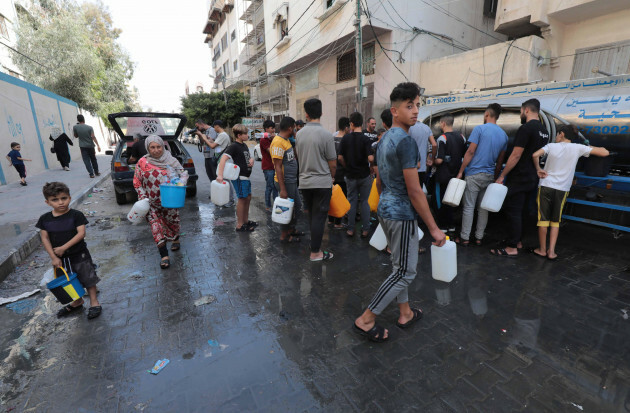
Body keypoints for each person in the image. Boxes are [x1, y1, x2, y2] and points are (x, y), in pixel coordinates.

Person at [353, 82, 445, 342]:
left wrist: (386, 206)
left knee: (399, 266)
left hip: (386, 209)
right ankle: (367, 318)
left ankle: (405, 312)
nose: (415, 111)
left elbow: (380, 181)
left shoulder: (383, 141)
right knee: (405, 272)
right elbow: (415, 191)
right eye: (409, 106)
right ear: (394, 110)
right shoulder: (405, 143)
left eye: (417, 105)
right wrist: (434, 229)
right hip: (401, 213)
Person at [532, 125, 609, 259]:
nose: (556, 137)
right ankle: (551, 252)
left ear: (561, 134)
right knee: (555, 221)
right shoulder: (578, 148)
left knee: (543, 220)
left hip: (546, 185)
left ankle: (542, 250)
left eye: (557, 134)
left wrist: (538, 168)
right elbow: (605, 153)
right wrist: (592, 146)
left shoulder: (551, 146)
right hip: (562, 189)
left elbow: (535, 154)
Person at [492, 99, 549, 257]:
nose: (520, 114)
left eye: (520, 111)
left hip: (520, 176)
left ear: (526, 110)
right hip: (533, 176)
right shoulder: (544, 131)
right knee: (523, 211)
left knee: (513, 211)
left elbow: (516, 155)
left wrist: (502, 175)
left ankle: (512, 247)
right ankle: (517, 241)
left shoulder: (526, 128)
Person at [36, 182, 102, 319]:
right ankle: (77, 301)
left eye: (64, 198)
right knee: (66, 280)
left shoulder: (76, 215)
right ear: (47, 202)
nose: (60, 202)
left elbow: (81, 233)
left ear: (69, 198)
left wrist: (63, 248)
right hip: (59, 258)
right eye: (55, 200)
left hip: (79, 254)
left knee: (88, 278)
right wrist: (54, 257)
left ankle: (94, 302)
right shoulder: (44, 219)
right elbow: (45, 239)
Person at [455, 103, 508, 246]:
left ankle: (465, 237)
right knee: (483, 208)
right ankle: (479, 237)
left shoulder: (479, 129)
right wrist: (496, 176)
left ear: (486, 114)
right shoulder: (504, 135)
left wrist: (461, 171)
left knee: (469, 207)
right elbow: (500, 161)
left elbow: (470, 151)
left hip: (473, 174)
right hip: (490, 175)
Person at [133, 135, 184, 269]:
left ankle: (176, 238)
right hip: (151, 203)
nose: (156, 150)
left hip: (170, 200)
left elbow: (183, 173)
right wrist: (143, 197)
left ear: (163, 146)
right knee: (156, 227)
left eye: (158, 147)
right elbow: (137, 182)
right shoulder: (142, 162)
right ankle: (164, 256)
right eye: (152, 147)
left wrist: (181, 183)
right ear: (148, 148)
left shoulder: (171, 160)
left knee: (173, 222)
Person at [296, 98, 337, 261]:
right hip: (322, 182)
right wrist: (332, 177)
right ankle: (315, 253)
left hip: (305, 182)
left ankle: (314, 246)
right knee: (320, 218)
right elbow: (332, 163)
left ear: (306, 114)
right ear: (321, 113)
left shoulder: (299, 134)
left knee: (312, 216)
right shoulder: (326, 135)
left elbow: (299, 157)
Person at [339, 112, 373, 238]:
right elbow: (370, 158)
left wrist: (346, 166)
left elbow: (340, 157)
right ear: (362, 123)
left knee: (351, 201)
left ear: (351, 124)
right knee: (364, 202)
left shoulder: (346, 138)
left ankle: (350, 229)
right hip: (364, 175)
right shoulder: (366, 139)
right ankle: (365, 230)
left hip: (350, 175)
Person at [217, 124, 255, 232]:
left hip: (246, 177)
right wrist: (220, 175)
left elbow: (247, 157)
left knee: (247, 198)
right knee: (242, 199)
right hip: (239, 177)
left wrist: (251, 160)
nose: (247, 135)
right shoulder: (233, 146)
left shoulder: (244, 145)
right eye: (245, 134)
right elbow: (223, 159)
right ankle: (240, 224)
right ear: (239, 135)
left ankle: (246, 221)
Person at [271, 117, 303, 243]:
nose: (295, 129)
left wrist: (294, 135)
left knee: (297, 206)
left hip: (291, 180)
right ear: (290, 127)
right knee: (286, 208)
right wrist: (283, 189)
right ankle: (284, 235)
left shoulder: (286, 140)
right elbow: (278, 167)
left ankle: (291, 229)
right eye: (294, 127)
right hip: (285, 182)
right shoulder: (278, 142)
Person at [434, 113, 467, 232]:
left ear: (443, 123)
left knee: (441, 200)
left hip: (443, 175)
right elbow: (465, 156)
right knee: (453, 201)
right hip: (457, 175)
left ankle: (443, 226)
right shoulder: (462, 137)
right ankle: (452, 226)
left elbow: (439, 160)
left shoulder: (442, 138)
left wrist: (431, 161)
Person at [329, 117, 350, 229]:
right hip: (341, 173)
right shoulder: (346, 140)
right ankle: (338, 222)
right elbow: (342, 158)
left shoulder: (331, 139)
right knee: (340, 197)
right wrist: (347, 167)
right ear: (346, 127)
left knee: (331, 196)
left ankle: (330, 220)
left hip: (331, 173)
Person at [212, 120, 236, 207]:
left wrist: (203, 138)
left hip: (223, 161)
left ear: (217, 126)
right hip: (221, 161)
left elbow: (212, 146)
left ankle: (230, 200)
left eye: (214, 127)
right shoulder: (222, 135)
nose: (214, 129)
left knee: (226, 181)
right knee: (224, 180)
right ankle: (225, 199)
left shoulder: (222, 135)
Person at [260, 120, 279, 211]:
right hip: (268, 167)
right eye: (272, 128)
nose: (273, 130)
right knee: (270, 186)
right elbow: (272, 151)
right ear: (266, 129)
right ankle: (268, 206)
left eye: (274, 128)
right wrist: (274, 139)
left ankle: (275, 204)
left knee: (275, 186)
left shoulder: (272, 139)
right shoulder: (264, 139)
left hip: (274, 166)